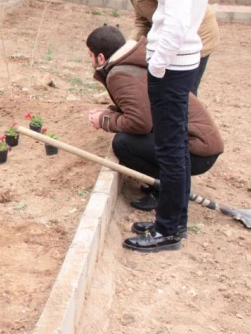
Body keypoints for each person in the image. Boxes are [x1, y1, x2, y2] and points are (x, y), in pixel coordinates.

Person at [121, 0, 219, 252]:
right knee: (173, 147)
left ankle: (168, 231)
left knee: (171, 150)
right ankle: (172, 220)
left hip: (173, 65)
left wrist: (157, 64)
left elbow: (175, 21)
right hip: (182, 61)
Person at [85, 25, 224, 221]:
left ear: (101, 57)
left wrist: (104, 120)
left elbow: (140, 123)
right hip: (200, 143)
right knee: (128, 139)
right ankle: (166, 183)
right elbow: (143, 108)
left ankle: (164, 189)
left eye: (90, 55)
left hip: (197, 151)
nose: (90, 60)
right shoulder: (135, 62)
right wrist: (110, 112)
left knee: (123, 143)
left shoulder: (120, 75)